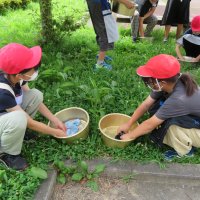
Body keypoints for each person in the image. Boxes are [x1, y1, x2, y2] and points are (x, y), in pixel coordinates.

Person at [118, 54, 200, 161]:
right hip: (193, 117)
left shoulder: (178, 99)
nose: (148, 82)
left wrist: (130, 135)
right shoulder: (169, 82)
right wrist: (128, 123)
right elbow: (146, 104)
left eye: (150, 80)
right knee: (159, 109)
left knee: (170, 125)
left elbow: (149, 125)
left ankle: (186, 151)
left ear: (162, 82)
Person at [0, 43, 67, 170]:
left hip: (6, 116)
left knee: (35, 95)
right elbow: (30, 122)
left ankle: (17, 133)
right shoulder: (2, 91)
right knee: (19, 118)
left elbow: (34, 100)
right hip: (5, 121)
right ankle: (7, 154)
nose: (35, 70)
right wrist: (55, 132)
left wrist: (54, 119)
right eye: (32, 68)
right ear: (19, 74)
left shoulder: (16, 76)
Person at [86, 0, 135, 70]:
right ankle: (99, 64)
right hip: (100, 6)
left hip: (96, 4)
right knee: (105, 34)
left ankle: (100, 55)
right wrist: (126, 2)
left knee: (100, 30)